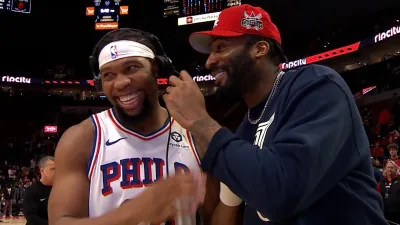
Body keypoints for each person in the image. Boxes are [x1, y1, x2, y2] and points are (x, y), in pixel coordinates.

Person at [162, 4, 387, 225]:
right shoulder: (243, 130)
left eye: (220, 47)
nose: (209, 61)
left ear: (260, 49)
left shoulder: (316, 85)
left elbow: (281, 194)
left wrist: (199, 120)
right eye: (211, 51)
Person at [48, 28, 218, 225]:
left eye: (132, 68)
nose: (121, 83)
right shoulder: (81, 138)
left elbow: (214, 217)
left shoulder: (193, 132)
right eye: (108, 75)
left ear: (155, 69)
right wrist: (136, 211)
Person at [23, 156, 55, 225]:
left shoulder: (61, 189)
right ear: (42, 171)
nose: (56, 172)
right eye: (52, 169)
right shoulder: (32, 191)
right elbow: (31, 218)